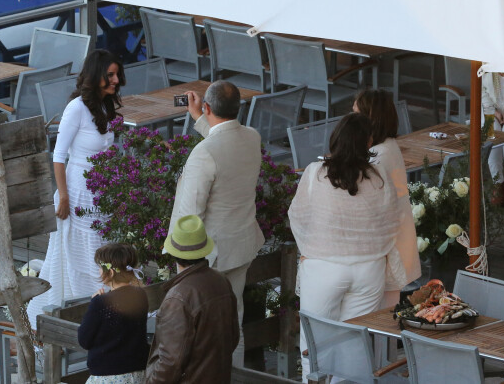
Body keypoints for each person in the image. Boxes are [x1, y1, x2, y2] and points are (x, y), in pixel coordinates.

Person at [288, 113, 404, 381]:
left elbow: (298, 217)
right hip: (368, 269)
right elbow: (392, 222)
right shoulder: (378, 177)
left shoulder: (314, 174)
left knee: (313, 345)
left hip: (323, 268)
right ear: (368, 143)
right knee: (353, 349)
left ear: (335, 139)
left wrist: (311, 249)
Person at [27, 49, 126, 328]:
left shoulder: (105, 105)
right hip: (78, 191)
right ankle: (84, 312)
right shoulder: (76, 108)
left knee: (103, 248)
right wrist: (64, 197)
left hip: (102, 190)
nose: (116, 80)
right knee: (86, 252)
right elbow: (58, 156)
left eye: (117, 74)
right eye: (110, 75)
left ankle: (102, 309)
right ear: (96, 76)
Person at [168, 80, 264, 366]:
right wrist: (200, 117)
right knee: (233, 321)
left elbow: (189, 216)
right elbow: (226, 138)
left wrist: (183, 260)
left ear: (208, 106)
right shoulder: (252, 137)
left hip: (207, 256)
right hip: (241, 246)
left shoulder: (204, 153)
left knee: (203, 329)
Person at [146, 215, 239, 383]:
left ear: (174, 253)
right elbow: (233, 337)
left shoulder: (178, 298)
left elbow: (170, 362)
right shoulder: (221, 280)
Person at [353, 89, 421, 308]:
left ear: (370, 120)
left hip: (389, 245)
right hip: (396, 240)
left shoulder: (379, 155)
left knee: (382, 315)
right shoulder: (387, 146)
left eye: (355, 114)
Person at [78, 243, 148, 384]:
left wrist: (96, 301)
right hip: (139, 372)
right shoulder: (141, 295)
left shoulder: (100, 303)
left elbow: (84, 340)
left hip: (108, 375)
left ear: (110, 273)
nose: (98, 271)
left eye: (100, 268)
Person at [482, 72, 504, 206]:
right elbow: (482, 92)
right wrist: (495, 113)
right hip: (490, 111)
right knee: (491, 135)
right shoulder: (487, 64)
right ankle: (498, 183)